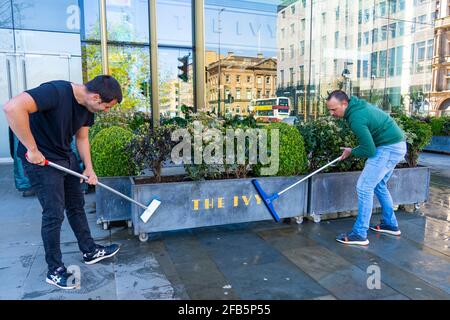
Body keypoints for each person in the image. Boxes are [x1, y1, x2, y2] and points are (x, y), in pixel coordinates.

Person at [3, 75, 122, 289]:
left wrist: (89, 167)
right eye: (106, 106)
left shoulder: (87, 107)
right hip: (40, 161)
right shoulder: (56, 92)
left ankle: (89, 250)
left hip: (64, 156)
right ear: (95, 97)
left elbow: (82, 138)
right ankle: (54, 270)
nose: (106, 111)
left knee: (76, 206)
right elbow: (12, 108)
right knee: (54, 213)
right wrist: (32, 149)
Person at [326, 90, 406, 246]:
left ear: (344, 104)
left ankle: (359, 233)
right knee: (379, 185)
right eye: (329, 109)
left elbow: (369, 150)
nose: (331, 113)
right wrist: (354, 149)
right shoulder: (357, 108)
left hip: (388, 148)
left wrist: (351, 151)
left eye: (334, 109)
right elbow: (369, 142)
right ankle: (390, 224)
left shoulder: (356, 117)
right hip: (396, 145)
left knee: (364, 187)